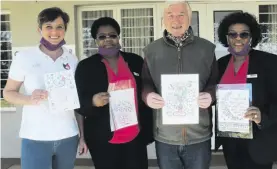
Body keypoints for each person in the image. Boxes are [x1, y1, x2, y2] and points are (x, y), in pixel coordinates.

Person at [3, 7, 87, 169]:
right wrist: (28, 99)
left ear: (65, 30)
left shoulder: (72, 59)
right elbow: (8, 92)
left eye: (59, 27)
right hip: (35, 137)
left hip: (68, 136)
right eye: (49, 26)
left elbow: (76, 102)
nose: (54, 32)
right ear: (39, 29)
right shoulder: (24, 58)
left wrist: (82, 135)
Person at [141, 1, 218, 169]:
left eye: (181, 15)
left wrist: (211, 95)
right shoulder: (151, 51)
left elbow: (214, 83)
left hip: (199, 134)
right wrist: (147, 96)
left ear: (189, 18)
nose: (175, 20)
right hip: (166, 136)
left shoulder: (207, 49)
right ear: (163, 20)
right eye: (170, 15)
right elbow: (146, 83)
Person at [74, 17, 153, 169]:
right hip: (102, 139)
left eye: (112, 35)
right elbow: (76, 102)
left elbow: (147, 89)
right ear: (95, 40)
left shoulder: (135, 61)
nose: (108, 39)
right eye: (102, 36)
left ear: (118, 37)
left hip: (135, 138)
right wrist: (92, 101)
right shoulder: (86, 67)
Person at [216, 11, 277, 169]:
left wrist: (262, 117)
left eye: (244, 34)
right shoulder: (220, 64)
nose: (238, 39)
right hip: (231, 141)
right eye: (233, 34)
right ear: (226, 37)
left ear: (251, 37)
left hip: (259, 142)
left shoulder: (269, 63)